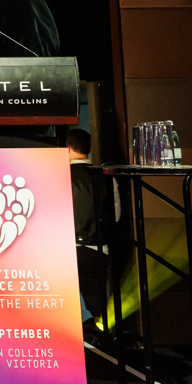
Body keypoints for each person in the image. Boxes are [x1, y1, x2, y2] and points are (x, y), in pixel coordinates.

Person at [68, 127, 120, 340]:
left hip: (65, 248)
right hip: (97, 247)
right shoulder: (105, 177)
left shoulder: (59, 175)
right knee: (98, 300)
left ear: (67, 148)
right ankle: (107, 339)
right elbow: (115, 214)